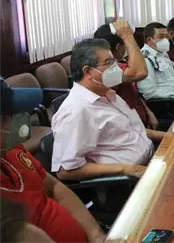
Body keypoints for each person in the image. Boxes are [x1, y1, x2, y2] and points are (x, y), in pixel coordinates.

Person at [0, 78, 105, 243]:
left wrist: (95, 234)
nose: (16, 120)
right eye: (6, 117)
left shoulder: (12, 150)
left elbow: (55, 187)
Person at [52, 39, 163, 181]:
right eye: (109, 63)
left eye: (114, 61)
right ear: (88, 71)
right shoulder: (75, 112)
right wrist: (127, 169)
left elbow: (131, 131)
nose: (116, 67)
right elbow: (65, 170)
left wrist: (171, 137)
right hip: (128, 181)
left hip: (153, 160)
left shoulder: (108, 93)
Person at [93, 20, 159, 130]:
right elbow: (140, 72)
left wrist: (148, 112)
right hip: (132, 129)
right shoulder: (109, 71)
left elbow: (133, 93)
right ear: (119, 47)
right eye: (126, 44)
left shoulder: (121, 65)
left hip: (142, 122)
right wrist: (127, 36)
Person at [139, 23, 174, 103]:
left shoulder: (162, 53)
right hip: (166, 103)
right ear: (149, 40)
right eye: (161, 37)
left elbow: (172, 78)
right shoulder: (145, 59)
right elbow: (149, 93)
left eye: (166, 37)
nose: (165, 40)